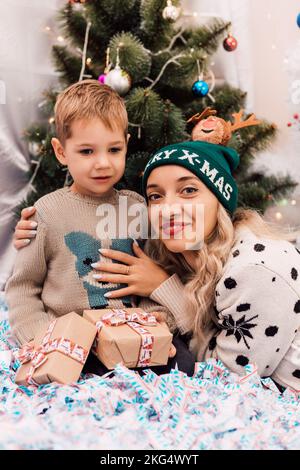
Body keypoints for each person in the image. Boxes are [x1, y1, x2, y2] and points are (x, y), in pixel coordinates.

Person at [14, 140, 300, 391]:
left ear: (219, 200)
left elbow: (227, 378)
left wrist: (165, 288)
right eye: (156, 196)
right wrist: (33, 232)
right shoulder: (190, 254)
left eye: (188, 190)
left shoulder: (256, 271)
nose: (168, 209)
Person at [5, 80, 196, 377]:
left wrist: (157, 327)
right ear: (61, 152)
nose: (103, 163)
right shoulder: (46, 213)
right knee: (79, 372)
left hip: (132, 334)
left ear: (126, 144)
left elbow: (154, 277)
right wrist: (41, 338)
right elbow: (23, 287)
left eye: (114, 149)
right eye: (86, 152)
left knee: (183, 363)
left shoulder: (137, 208)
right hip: (75, 341)